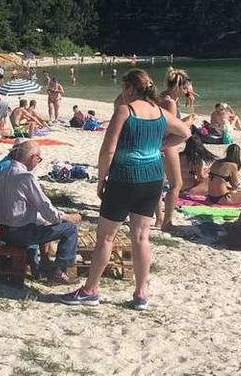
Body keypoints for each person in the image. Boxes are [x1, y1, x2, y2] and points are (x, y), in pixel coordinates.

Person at [62, 69, 189, 309]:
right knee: (141, 236)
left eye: (123, 88)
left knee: (106, 237)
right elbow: (185, 132)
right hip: (152, 178)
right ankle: (141, 293)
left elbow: (108, 150)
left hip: (124, 177)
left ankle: (90, 290)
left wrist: (101, 179)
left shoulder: (125, 111)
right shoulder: (160, 112)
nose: (121, 92)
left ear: (130, 88)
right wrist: (158, 146)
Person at [0, 140, 82, 283]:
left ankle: (39, 267)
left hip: (5, 230)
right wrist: (66, 217)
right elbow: (46, 209)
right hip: (21, 233)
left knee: (40, 224)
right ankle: (59, 271)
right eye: (39, 159)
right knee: (70, 229)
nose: (38, 163)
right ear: (33, 157)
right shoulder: (25, 177)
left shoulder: (3, 171)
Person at [157, 67, 195, 230]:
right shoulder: (170, 102)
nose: (188, 90)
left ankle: (159, 218)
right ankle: (167, 222)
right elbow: (170, 127)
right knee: (176, 184)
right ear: (180, 86)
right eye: (186, 87)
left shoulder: (162, 97)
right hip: (166, 145)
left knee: (158, 184)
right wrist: (187, 124)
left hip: (158, 142)